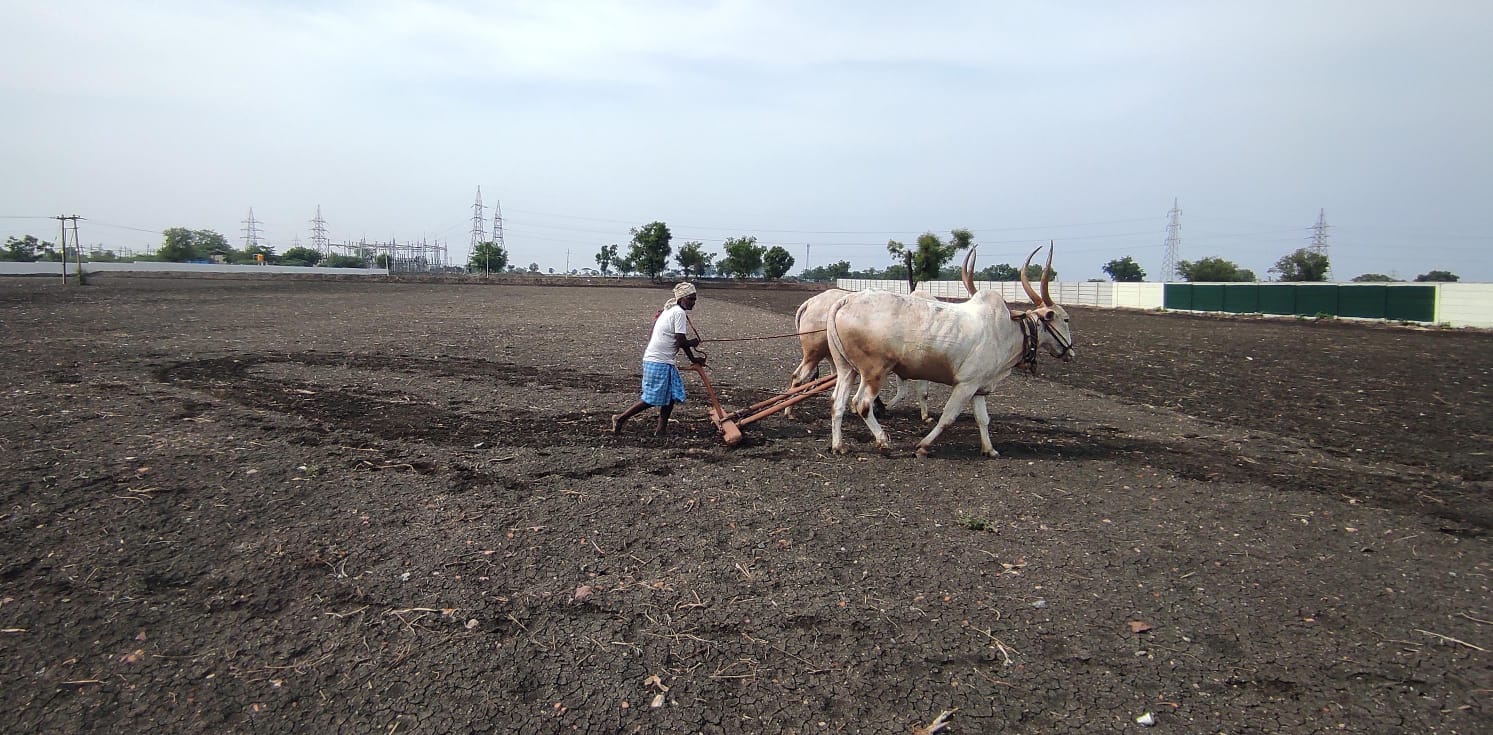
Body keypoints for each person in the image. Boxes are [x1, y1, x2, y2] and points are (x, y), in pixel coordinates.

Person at [610, 282, 706, 436]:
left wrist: (693, 358)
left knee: (669, 397)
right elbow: (682, 342)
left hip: (660, 359)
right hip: (658, 360)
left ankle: (660, 430)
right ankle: (620, 418)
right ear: (681, 299)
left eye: (695, 299)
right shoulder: (679, 313)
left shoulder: (672, 311)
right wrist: (693, 343)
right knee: (652, 398)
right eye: (691, 299)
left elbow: (680, 341)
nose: (693, 302)